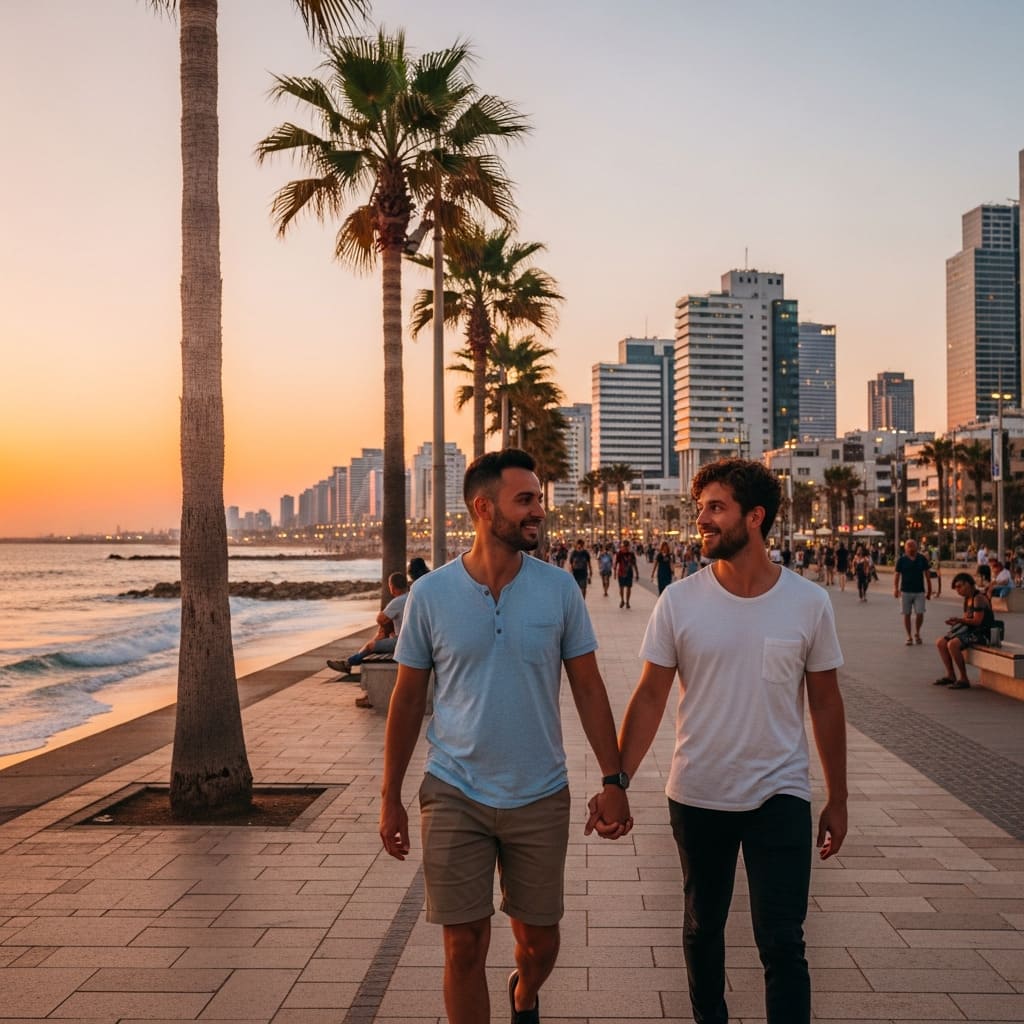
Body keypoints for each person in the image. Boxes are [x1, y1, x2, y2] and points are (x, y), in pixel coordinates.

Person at [379, 448, 630, 1024]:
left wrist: (614, 780)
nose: (538, 510)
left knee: (540, 942)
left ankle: (525, 991)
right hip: (453, 791)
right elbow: (409, 697)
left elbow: (590, 690)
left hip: (540, 791)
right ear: (483, 507)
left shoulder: (559, 590)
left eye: (539, 499)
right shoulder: (431, 596)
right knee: (462, 945)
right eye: (526, 500)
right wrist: (390, 796)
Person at [605, 458, 847, 1024]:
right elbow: (648, 698)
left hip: (781, 792)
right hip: (698, 791)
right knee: (702, 926)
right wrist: (617, 780)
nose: (702, 520)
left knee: (783, 940)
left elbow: (827, 702)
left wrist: (837, 796)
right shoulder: (679, 602)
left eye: (716, 508)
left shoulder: (808, 603)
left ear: (755, 517)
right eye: (700, 509)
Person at [326, 571, 409, 675]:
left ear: (392, 586)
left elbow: (380, 619)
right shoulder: (412, 597)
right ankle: (348, 662)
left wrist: (385, 625)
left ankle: (348, 663)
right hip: (410, 639)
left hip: (403, 642)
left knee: (371, 646)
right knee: (380, 635)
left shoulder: (398, 601)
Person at [935, 571, 994, 689]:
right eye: (956, 588)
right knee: (941, 642)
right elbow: (967, 618)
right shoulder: (967, 599)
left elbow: (977, 621)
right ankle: (951, 675)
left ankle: (964, 678)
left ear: (968, 584)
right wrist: (957, 621)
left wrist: (960, 620)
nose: (958, 590)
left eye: (959, 587)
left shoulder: (979, 598)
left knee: (953, 644)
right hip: (970, 631)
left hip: (982, 634)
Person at [893, 538, 932, 645]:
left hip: (919, 591)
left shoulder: (922, 559)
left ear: (916, 547)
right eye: (908, 546)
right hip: (905, 591)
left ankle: (917, 633)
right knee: (907, 614)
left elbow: (927, 576)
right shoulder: (901, 560)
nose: (910, 548)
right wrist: (896, 589)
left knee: (920, 612)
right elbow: (897, 575)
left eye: (912, 545)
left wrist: (929, 591)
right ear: (905, 548)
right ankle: (909, 636)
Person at [613, 539, 639, 609]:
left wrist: (637, 574)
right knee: (621, 588)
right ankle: (622, 600)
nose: (626, 547)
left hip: (629, 573)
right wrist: (615, 573)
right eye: (624, 546)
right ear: (622, 546)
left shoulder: (631, 554)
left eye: (627, 546)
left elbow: (634, 564)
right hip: (621, 573)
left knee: (628, 588)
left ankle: (627, 602)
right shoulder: (620, 553)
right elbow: (616, 563)